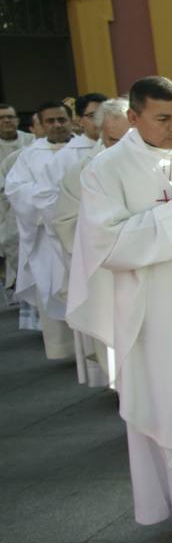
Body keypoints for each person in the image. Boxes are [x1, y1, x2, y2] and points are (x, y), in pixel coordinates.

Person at [67, 76, 172, 543]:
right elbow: (105, 243)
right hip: (156, 314)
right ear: (134, 118)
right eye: (163, 118)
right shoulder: (107, 170)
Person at [50, 98, 129, 388]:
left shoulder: (151, 163)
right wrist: (100, 246)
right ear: (100, 133)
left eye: (128, 138)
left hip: (151, 266)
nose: (121, 147)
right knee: (117, 344)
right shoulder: (83, 172)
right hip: (105, 269)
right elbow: (64, 221)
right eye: (113, 139)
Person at [5, 100, 77, 361]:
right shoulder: (30, 155)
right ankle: (65, 349)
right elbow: (15, 189)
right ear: (40, 124)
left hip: (81, 233)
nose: (57, 125)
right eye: (50, 121)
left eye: (61, 119)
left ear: (72, 120)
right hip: (47, 238)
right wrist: (48, 201)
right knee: (53, 287)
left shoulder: (84, 149)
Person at [0, 103, 37, 302]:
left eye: (10, 117)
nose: (7, 121)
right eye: (2, 118)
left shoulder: (31, 141)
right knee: (13, 245)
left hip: (28, 206)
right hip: (4, 207)